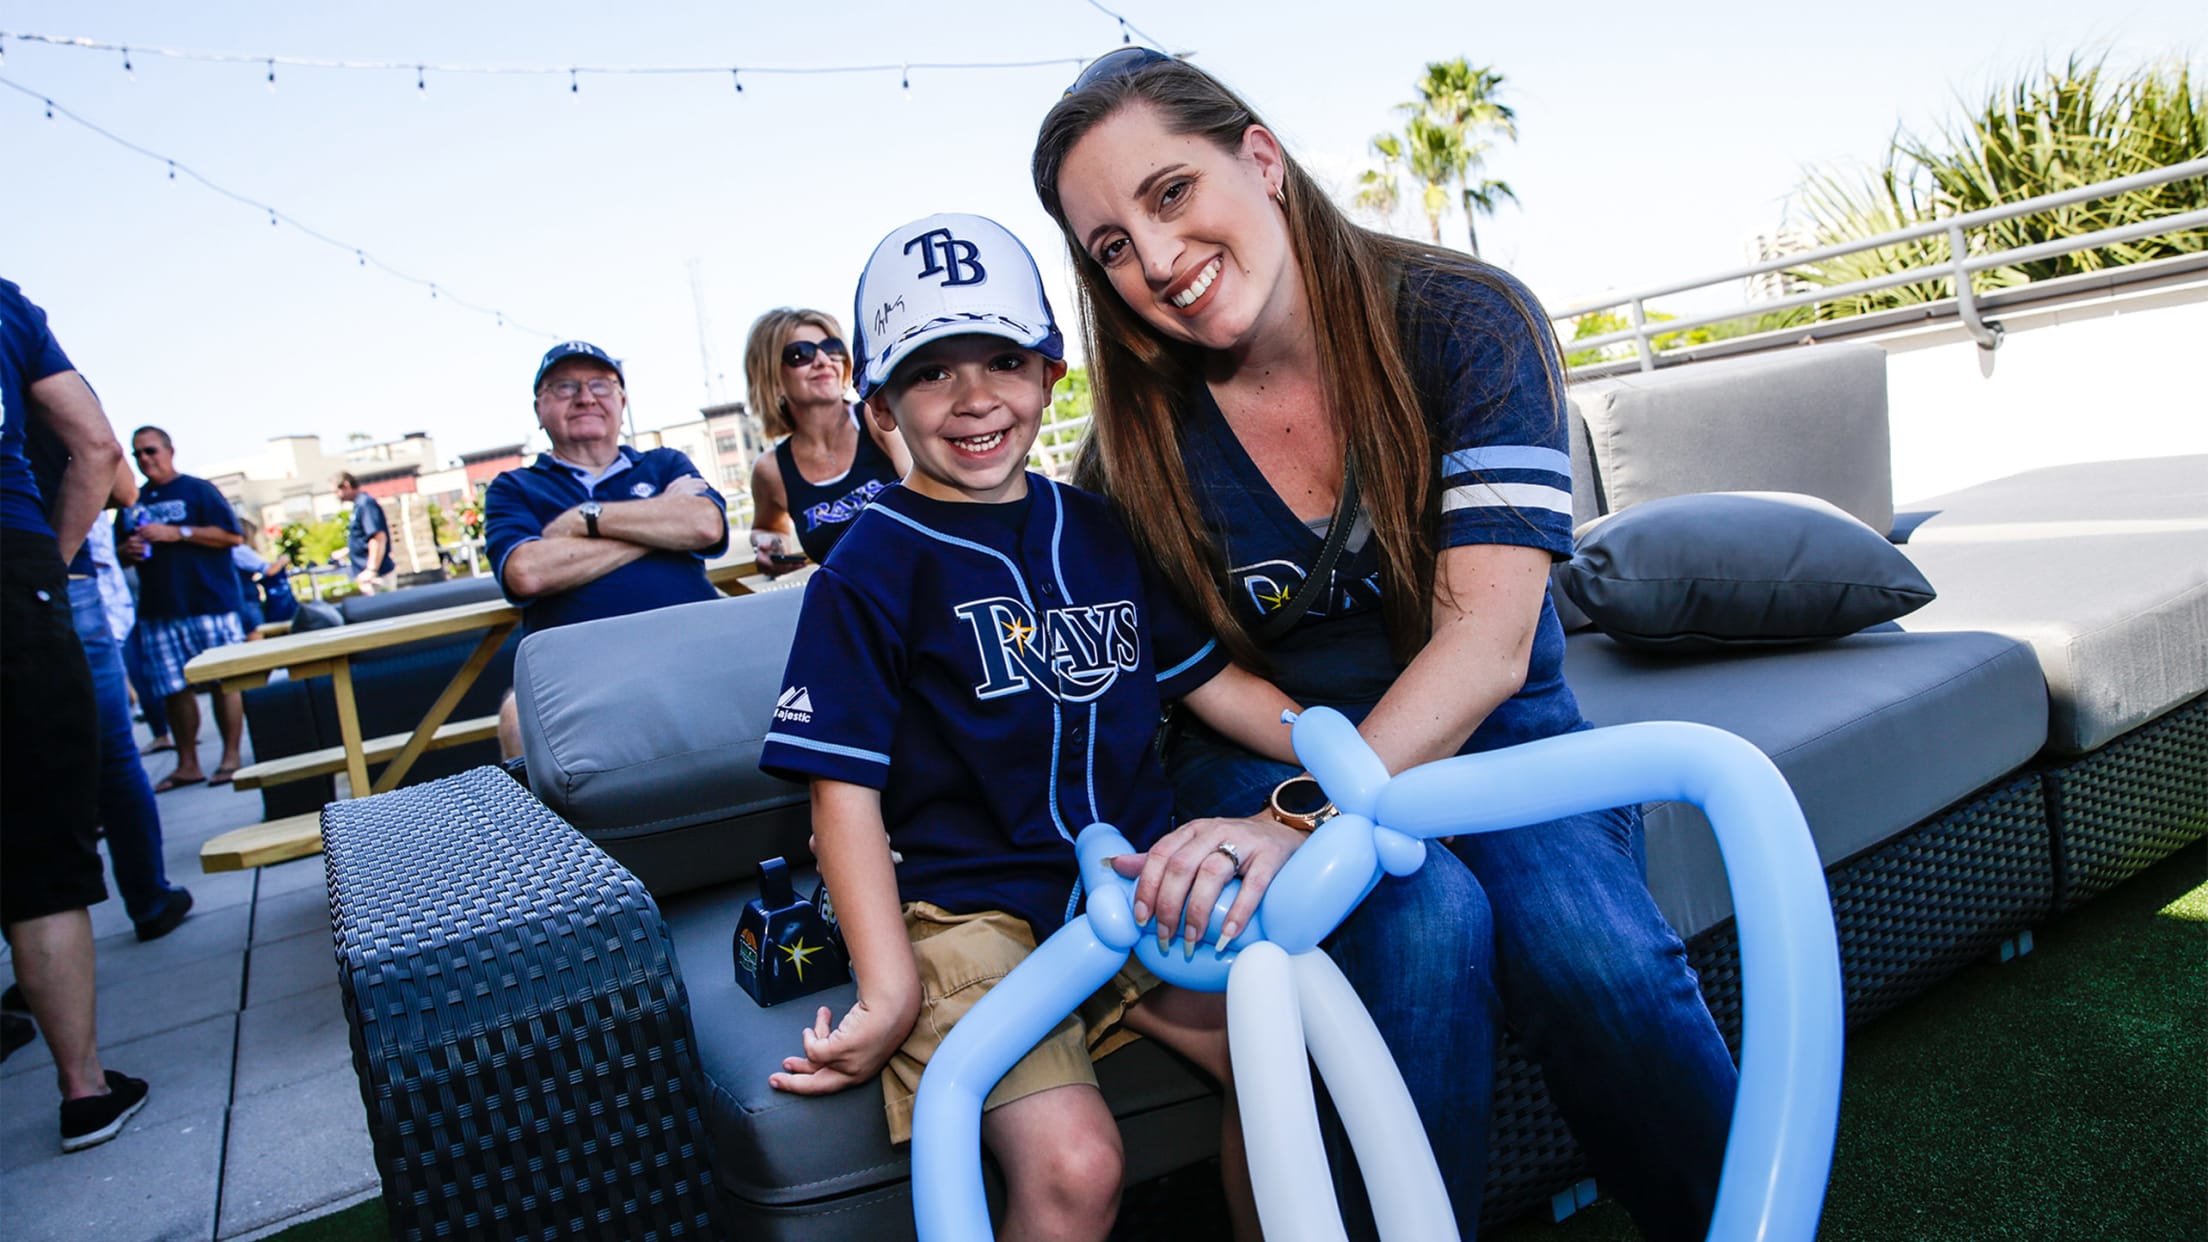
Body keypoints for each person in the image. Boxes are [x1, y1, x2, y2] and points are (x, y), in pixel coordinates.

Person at [1031, 52, 1738, 1241]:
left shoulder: (1467, 322)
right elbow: (1204, 687)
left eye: (1169, 195)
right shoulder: (1133, 454)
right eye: (1109, 245)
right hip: (1272, 751)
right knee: (1422, 920)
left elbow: (1490, 643)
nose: (1154, 262)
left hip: (1488, 736)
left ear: (1260, 158)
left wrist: (1303, 815)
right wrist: (1285, 805)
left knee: (1591, 955)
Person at [761, 213, 1301, 1242]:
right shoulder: (867, 568)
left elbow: (1213, 683)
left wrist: (1353, 750)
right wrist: (885, 991)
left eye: (1003, 360)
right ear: (878, 406)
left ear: (1051, 374)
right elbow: (842, 795)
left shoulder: (1101, 529)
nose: (974, 399)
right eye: (931, 372)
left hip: (1134, 886)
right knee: (1076, 1165)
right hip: (973, 919)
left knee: (1284, 1066)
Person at [0, 278, 152, 1150]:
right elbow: (95, 446)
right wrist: (45, 567)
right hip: (10, 570)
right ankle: (84, 1089)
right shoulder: (5, 304)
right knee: (39, 846)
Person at [486, 340, 730, 755]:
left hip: (695, 651)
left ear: (621, 400)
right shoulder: (514, 487)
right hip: (577, 677)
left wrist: (585, 519)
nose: (585, 398)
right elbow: (528, 572)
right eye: (565, 387)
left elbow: (705, 526)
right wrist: (658, 525)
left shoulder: (666, 463)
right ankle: (543, 825)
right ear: (539, 409)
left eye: (600, 385)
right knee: (515, 715)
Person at [25, 416, 196, 941]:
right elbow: (109, 462)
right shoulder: (29, 354)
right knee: (114, 756)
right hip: (59, 578)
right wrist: (53, 560)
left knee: (18, 774)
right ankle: (148, 900)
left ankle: (31, 940)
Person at [119, 425, 248, 790]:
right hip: (160, 609)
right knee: (173, 688)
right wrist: (125, 552)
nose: (145, 459)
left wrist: (180, 533)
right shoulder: (133, 502)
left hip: (209, 603)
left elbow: (233, 536)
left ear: (169, 450)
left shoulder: (197, 489)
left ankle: (231, 757)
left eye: (151, 450)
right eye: (138, 453)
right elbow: (118, 554)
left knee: (226, 681)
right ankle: (187, 764)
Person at [742, 308, 909, 573]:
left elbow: (930, 500)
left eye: (831, 348)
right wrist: (766, 544)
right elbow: (767, 528)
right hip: (853, 606)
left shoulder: (877, 417)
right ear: (772, 376)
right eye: (801, 354)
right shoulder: (771, 469)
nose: (822, 360)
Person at [333, 472, 396, 595]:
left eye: (337, 491)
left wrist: (371, 569)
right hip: (370, 575)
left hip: (377, 576)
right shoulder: (358, 505)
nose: (336, 496)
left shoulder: (366, 504)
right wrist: (348, 550)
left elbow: (378, 537)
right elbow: (364, 540)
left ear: (346, 485)